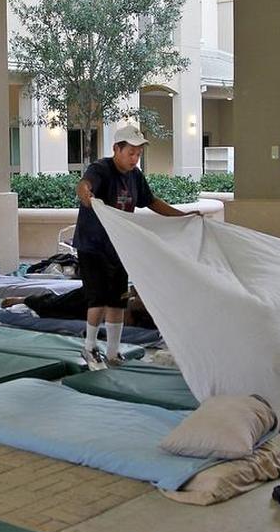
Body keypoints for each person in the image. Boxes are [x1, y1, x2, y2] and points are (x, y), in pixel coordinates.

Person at [73, 124, 193, 369]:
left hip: (120, 246)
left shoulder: (135, 176)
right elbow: (84, 185)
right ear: (117, 149)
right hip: (93, 246)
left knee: (118, 300)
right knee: (98, 299)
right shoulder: (101, 169)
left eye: (139, 154)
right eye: (131, 153)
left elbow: (152, 202)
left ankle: (114, 353)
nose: (135, 158)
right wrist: (87, 196)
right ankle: (90, 349)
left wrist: (183, 216)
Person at [1, 286, 158, 330]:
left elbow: (127, 319)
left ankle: (26, 300)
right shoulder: (145, 295)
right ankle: (22, 300)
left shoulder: (148, 318)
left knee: (55, 308)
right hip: (96, 296)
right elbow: (132, 290)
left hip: (96, 307)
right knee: (53, 304)